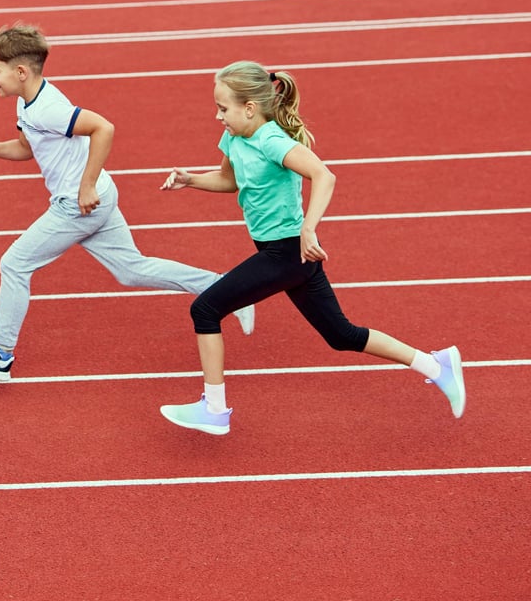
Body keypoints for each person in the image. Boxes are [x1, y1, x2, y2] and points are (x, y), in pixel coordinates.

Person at [157, 60, 464, 435]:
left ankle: (215, 409)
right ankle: (437, 366)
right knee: (341, 335)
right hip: (287, 256)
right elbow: (228, 180)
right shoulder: (235, 139)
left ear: (249, 108)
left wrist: (309, 228)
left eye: (223, 108)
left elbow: (324, 175)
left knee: (205, 308)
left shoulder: (272, 141)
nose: (217, 115)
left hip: (286, 252)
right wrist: (190, 180)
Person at [0, 25, 255, 381]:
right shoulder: (26, 103)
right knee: (131, 269)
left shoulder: (48, 109)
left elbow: (103, 128)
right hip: (99, 199)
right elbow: (27, 149)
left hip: (78, 205)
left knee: (14, 264)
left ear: (21, 72)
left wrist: (86, 186)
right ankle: (229, 288)